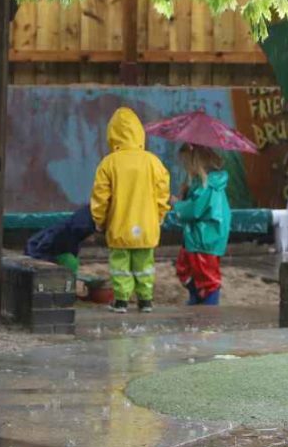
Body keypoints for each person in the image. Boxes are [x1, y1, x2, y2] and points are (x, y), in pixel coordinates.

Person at [91, 107, 171, 314]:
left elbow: (101, 198)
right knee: (145, 264)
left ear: (112, 134)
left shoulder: (108, 163)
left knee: (120, 265)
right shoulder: (154, 162)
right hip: (147, 226)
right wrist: (160, 216)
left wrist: (99, 220)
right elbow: (162, 194)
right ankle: (146, 300)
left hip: (119, 226)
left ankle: (121, 301)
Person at [171, 144, 232, 305]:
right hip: (198, 237)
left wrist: (177, 204)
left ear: (195, 163)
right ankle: (197, 296)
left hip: (204, 239)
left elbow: (195, 209)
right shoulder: (203, 184)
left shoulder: (208, 185)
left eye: (186, 163)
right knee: (185, 268)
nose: (184, 167)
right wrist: (185, 194)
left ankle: (208, 307)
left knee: (207, 278)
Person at [23, 205, 95, 276]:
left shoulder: (74, 234)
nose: (93, 239)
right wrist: (52, 262)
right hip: (36, 252)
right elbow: (42, 247)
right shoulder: (63, 233)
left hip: (51, 250)